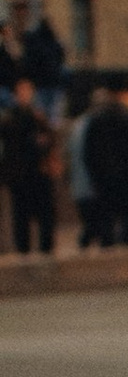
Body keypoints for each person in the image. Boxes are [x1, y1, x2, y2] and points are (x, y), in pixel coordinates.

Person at [79, 78, 128, 249]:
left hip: (104, 180)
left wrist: (96, 175)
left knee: (107, 230)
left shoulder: (96, 120)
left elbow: (89, 152)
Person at [1, 77, 59, 255]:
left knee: (45, 216)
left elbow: (48, 140)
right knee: (22, 218)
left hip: (39, 172)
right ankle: (24, 251)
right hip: (21, 175)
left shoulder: (38, 116)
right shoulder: (11, 118)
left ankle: (45, 250)